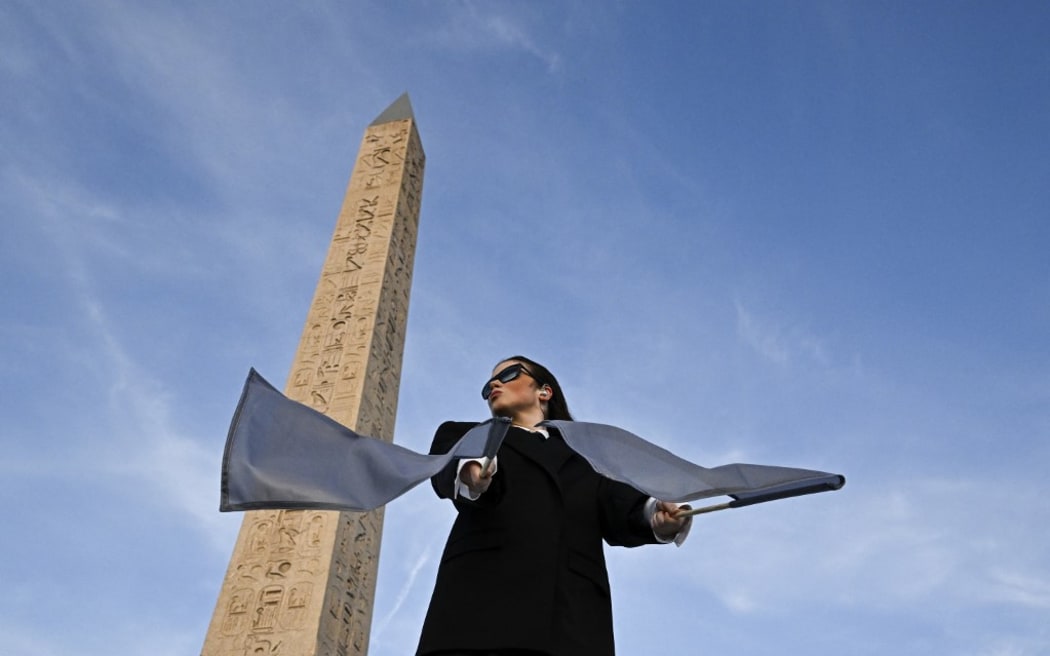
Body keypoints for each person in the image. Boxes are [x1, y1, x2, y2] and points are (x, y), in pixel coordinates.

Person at [416, 356, 691, 656]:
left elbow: (618, 504)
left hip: (573, 620)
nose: (493, 384)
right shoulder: (464, 434)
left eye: (508, 374)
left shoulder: (587, 457)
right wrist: (471, 472)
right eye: (487, 385)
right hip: (480, 611)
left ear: (544, 391)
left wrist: (656, 515)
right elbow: (453, 465)